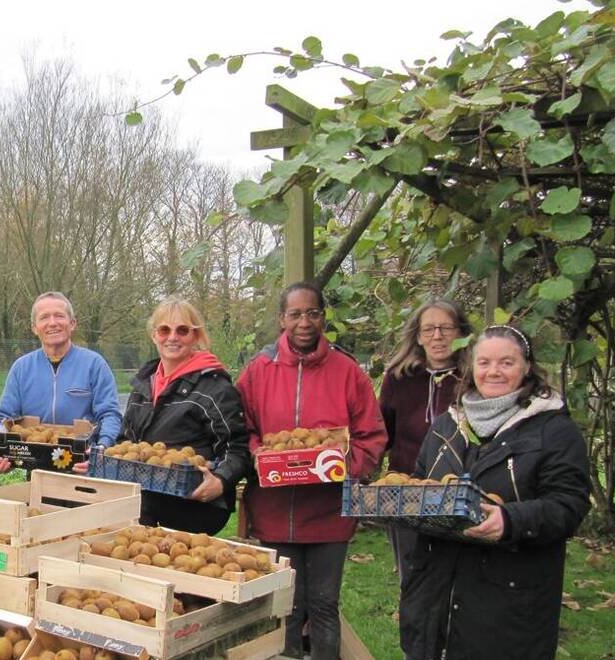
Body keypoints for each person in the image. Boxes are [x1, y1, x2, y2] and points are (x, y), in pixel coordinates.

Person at [399, 325, 590, 660]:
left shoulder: (553, 431)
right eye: (484, 362)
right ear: (471, 367)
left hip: (507, 600)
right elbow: (420, 481)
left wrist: (511, 520)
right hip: (434, 594)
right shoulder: (447, 424)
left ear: (527, 367)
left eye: (506, 362)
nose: (493, 372)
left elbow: (569, 504)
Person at [236, 281, 387, 660]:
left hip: (329, 515)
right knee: (282, 606)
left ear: (323, 317)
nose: (305, 322)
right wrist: (258, 454)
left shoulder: (347, 371)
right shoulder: (258, 370)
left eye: (313, 313)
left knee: (323, 604)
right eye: (296, 314)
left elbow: (372, 435)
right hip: (275, 512)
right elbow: (241, 427)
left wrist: (341, 467)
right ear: (281, 319)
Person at [112, 297, 249, 535]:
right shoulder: (144, 384)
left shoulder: (215, 387)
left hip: (193, 506)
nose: (172, 337)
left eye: (182, 330)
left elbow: (237, 448)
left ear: (195, 336)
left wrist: (220, 482)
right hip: (144, 501)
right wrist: (107, 460)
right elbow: (126, 440)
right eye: (164, 330)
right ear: (154, 335)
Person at [379, 299, 471, 582]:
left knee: (457, 572)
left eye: (445, 328)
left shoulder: (473, 379)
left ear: (460, 333)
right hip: (406, 491)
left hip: (458, 492)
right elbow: (383, 433)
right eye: (429, 329)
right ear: (418, 336)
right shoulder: (399, 378)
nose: (437, 336)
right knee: (413, 572)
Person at [0, 292, 122, 473]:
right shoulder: (21, 368)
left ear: (72, 323)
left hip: (84, 470)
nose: (52, 323)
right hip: (36, 470)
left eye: (59, 316)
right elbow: (4, 418)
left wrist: (101, 448)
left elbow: (109, 414)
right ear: (34, 328)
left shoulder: (94, 364)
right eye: (44, 318)